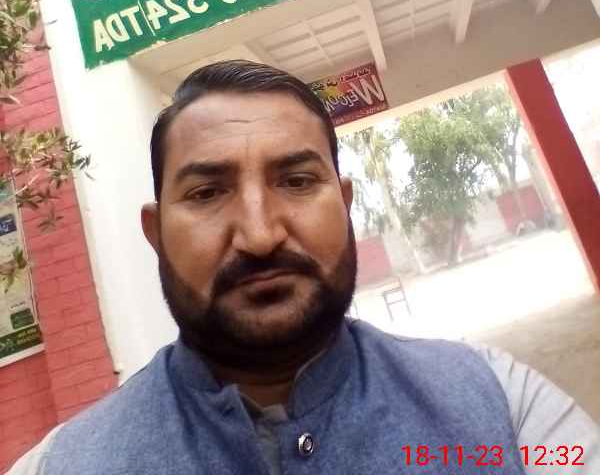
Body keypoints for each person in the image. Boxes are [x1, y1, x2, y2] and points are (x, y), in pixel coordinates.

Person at [8, 60, 600, 474]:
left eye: (296, 181)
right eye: (208, 192)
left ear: (345, 205)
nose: (260, 235)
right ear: (156, 233)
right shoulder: (57, 467)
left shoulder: (506, 409)